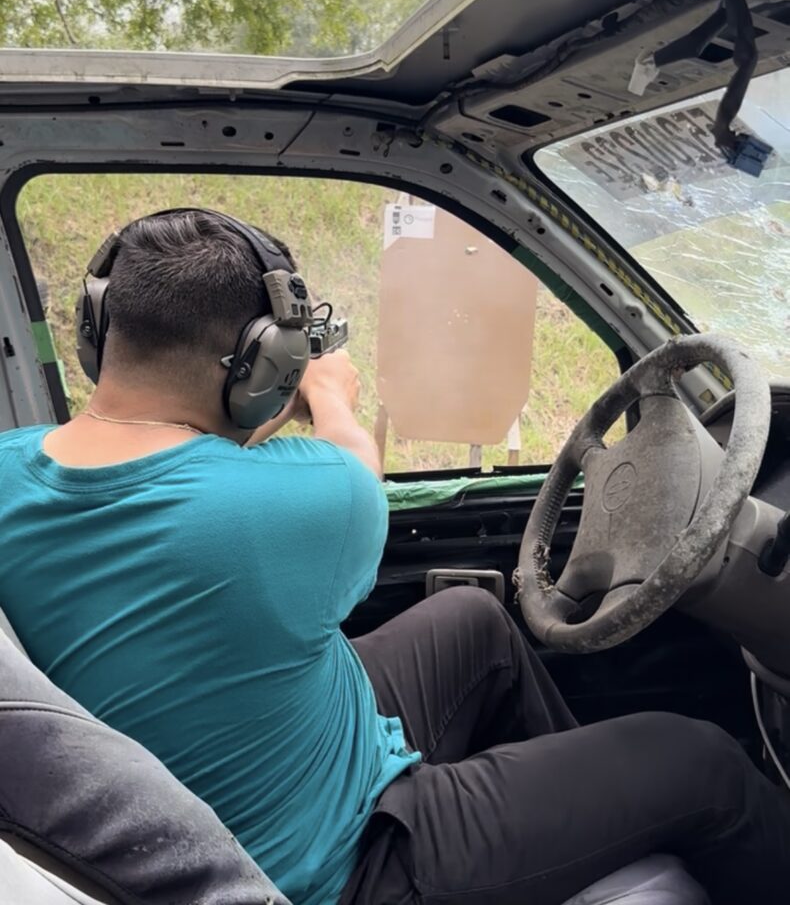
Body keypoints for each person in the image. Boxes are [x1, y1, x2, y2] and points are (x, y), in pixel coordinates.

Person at [0, 207, 788, 905]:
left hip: (261, 760)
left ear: (99, 330)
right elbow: (350, 474)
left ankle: (570, 847)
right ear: (261, 368)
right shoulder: (283, 501)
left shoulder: (10, 466)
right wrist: (330, 398)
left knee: (472, 620)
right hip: (333, 859)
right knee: (700, 760)